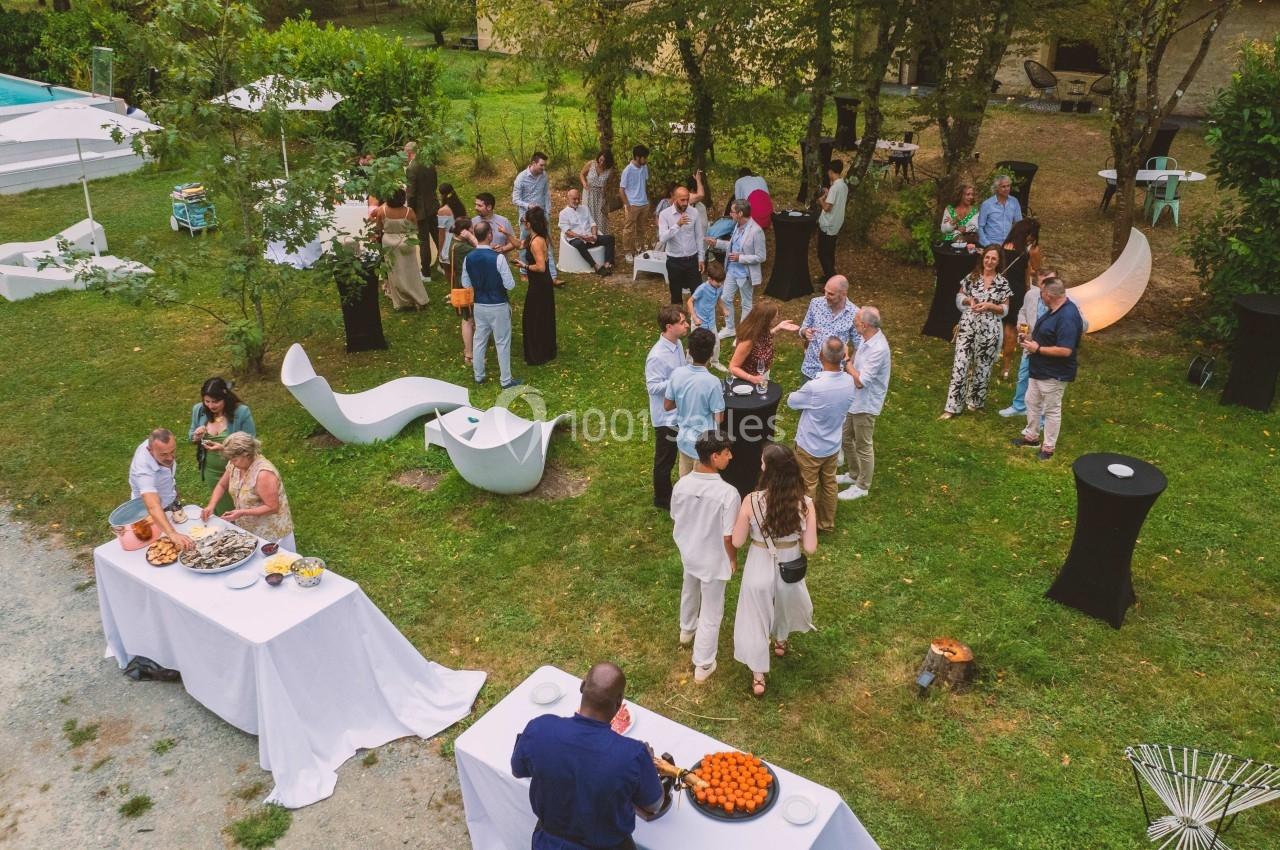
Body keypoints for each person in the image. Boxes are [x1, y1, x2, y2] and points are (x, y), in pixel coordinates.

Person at [510, 661, 664, 850]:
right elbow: (654, 805)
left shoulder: (540, 729)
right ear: (619, 702)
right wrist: (647, 766)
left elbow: (517, 770)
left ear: (582, 686)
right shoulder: (632, 755)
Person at [731, 443, 817, 697]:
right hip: (789, 564)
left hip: (759, 563)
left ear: (768, 470)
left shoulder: (751, 501)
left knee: (755, 619)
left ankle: (758, 676)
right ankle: (780, 640)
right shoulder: (805, 504)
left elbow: (737, 541)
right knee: (784, 603)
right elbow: (810, 547)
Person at [670, 430, 740, 683]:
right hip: (713, 558)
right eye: (726, 453)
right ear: (714, 457)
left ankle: (686, 630)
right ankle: (704, 664)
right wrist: (733, 559)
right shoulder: (728, 494)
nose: (730, 457)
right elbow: (728, 536)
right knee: (711, 611)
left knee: (689, 589)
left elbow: (675, 516)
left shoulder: (681, 485)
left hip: (689, 552)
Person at [787, 337, 858, 533]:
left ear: (820, 355)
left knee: (807, 487)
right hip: (833, 444)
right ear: (843, 356)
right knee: (829, 484)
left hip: (810, 446)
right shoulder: (849, 382)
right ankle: (826, 523)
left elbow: (792, 402)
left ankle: (806, 526)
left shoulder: (814, 387)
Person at [1011, 277, 1084, 461]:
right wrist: (1029, 339)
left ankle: (1048, 448)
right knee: (1032, 401)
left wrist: (1038, 349)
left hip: (1054, 373)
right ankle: (1032, 437)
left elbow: (1065, 350)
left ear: (1049, 294)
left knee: (1051, 410)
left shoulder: (1068, 316)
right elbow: (1046, 335)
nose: (1040, 296)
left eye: (1042, 292)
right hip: (1038, 368)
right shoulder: (1053, 310)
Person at [941, 245, 1012, 418]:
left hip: (990, 329)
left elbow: (1005, 309)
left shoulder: (1002, 283)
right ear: (983, 258)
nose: (989, 261)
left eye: (993, 259)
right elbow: (959, 297)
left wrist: (990, 306)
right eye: (987, 257)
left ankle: (976, 402)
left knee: (984, 365)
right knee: (960, 364)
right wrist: (968, 301)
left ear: (998, 262)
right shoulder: (972, 277)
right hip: (968, 326)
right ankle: (952, 407)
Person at [201, 432, 296, 551]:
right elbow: (221, 485)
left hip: (271, 532)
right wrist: (211, 505)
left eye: (234, 459)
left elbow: (272, 507)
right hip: (249, 529)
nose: (232, 462)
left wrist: (242, 513)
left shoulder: (263, 474)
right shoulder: (234, 464)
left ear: (247, 454)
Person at [837, 306, 890, 501]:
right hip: (854, 399)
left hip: (866, 403)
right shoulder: (865, 338)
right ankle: (853, 474)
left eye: (856, 322)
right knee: (845, 437)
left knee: (863, 445)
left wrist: (846, 360)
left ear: (865, 325)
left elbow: (861, 381)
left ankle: (862, 485)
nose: (854, 324)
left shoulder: (879, 349)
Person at [462, 220, 522, 388]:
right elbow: (510, 284)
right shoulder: (498, 258)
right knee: (502, 342)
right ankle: (505, 379)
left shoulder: (468, 258)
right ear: (490, 235)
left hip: (479, 305)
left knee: (479, 340)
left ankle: (479, 375)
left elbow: (466, 283)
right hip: (498, 304)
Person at [188, 377, 256, 515]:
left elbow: (250, 445)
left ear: (225, 397)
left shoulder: (241, 412)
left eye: (215, 401)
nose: (211, 406)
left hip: (237, 469)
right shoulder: (199, 410)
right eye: (207, 401)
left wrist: (223, 448)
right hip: (211, 471)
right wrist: (196, 436)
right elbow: (191, 436)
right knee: (221, 508)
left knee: (241, 507)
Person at [663, 328, 725, 478]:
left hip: (684, 442)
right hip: (704, 448)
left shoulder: (677, 374)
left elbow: (667, 405)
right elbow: (719, 418)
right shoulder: (713, 382)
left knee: (685, 484)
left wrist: (684, 400)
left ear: (689, 351)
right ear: (712, 353)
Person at [645, 305, 690, 511]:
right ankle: (662, 499)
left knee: (678, 453)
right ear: (669, 327)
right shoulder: (657, 356)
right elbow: (653, 387)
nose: (686, 325)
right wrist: (677, 380)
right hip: (665, 417)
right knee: (665, 459)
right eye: (682, 322)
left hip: (678, 410)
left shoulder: (678, 343)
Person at [706, 198, 766, 339]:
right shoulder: (737, 226)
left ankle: (742, 334)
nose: (730, 214)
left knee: (746, 304)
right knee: (725, 298)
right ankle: (730, 328)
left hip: (745, 274)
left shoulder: (756, 231)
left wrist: (741, 258)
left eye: (732, 212)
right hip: (731, 270)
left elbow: (761, 256)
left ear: (740, 213)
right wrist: (716, 243)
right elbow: (732, 245)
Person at [128, 428, 193, 550]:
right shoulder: (143, 471)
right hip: (148, 513)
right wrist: (172, 533)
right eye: (164, 454)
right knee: (158, 547)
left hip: (169, 500)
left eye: (172, 451)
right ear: (150, 450)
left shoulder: (159, 447)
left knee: (186, 531)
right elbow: (153, 506)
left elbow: (168, 472)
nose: (170, 458)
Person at [999, 217, 1043, 378]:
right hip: (1017, 291)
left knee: (998, 325)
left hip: (999, 289)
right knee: (1011, 328)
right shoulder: (1031, 250)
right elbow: (1037, 269)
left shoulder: (1004, 246)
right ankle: (1006, 368)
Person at [372, 188, 429, 310]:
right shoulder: (409, 211)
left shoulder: (382, 211)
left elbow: (378, 228)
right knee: (411, 272)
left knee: (395, 273)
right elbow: (415, 228)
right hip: (406, 242)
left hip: (389, 244)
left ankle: (402, 302)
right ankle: (418, 298)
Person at [515, 206, 558, 366]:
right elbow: (519, 245)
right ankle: (545, 349)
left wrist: (524, 266)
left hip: (540, 284)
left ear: (529, 224)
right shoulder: (534, 237)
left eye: (524, 221)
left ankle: (538, 353)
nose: (523, 223)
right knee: (541, 316)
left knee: (534, 318)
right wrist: (506, 234)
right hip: (540, 283)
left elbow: (540, 267)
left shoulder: (536, 242)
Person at [798, 275, 860, 382]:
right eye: (825, 291)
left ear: (843, 294)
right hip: (811, 369)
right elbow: (803, 328)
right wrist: (805, 332)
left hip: (835, 374)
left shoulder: (855, 313)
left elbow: (858, 346)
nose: (826, 296)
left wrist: (848, 367)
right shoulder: (815, 303)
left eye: (831, 294)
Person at [727, 302, 799, 386]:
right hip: (747, 381)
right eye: (775, 317)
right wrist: (751, 378)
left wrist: (777, 328)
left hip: (760, 376)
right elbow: (733, 367)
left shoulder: (760, 330)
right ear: (766, 320)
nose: (777, 318)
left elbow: (763, 338)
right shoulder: (748, 341)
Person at [656, 186, 706, 305]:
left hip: (692, 260)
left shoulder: (694, 212)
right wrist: (677, 225)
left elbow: (699, 237)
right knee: (676, 296)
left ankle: (696, 316)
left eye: (687, 199)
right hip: (674, 261)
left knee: (697, 294)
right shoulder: (665, 215)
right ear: (674, 198)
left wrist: (701, 258)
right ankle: (678, 316)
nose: (685, 203)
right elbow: (662, 238)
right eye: (682, 200)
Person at [512, 151, 557, 282]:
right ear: (533, 163)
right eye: (541, 165)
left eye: (544, 165)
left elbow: (546, 194)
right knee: (525, 243)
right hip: (527, 217)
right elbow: (515, 200)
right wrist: (528, 206)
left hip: (542, 216)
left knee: (547, 243)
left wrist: (548, 211)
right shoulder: (521, 178)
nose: (543, 168)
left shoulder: (544, 175)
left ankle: (552, 275)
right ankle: (524, 271)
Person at [447, 219, 481, 367]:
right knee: (468, 319)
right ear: (464, 231)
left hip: (462, 282)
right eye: (471, 229)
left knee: (469, 318)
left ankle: (471, 350)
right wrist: (472, 238)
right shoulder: (462, 247)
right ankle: (469, 354)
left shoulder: (455, 242)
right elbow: (483, 251)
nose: (473, 231)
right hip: (466, 285)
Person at [560, 188, 616, 275]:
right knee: (579, 243)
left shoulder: (585, 208)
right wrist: (581, 237)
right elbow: (567, 231)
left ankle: (607, 264)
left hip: (590, 238)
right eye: (574, 199)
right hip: (576, 239)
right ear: (568, 198)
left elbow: (593, 224)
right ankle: (595, 266)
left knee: (610, 238)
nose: (577, 201)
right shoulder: (563, 213)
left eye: (578, 198)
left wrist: (594, 235)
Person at [404, 140, 438, 279]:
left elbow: (411, 193)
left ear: (409, 153)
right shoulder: (429, 162)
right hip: (433, 204)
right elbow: (434, 183)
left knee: (423, 242)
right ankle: (445, 264)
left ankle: (426, 273)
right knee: (438, 236)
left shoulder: (411, 168)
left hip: (420, 210)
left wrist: (410, 210)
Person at [686, 262, 727, 370]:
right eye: (718, 281)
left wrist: (723, 309)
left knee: (716, 342)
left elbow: (718, 298)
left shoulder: (719, 287)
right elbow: (689, 302)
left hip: (711, 322)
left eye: (721, 281)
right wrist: (695, 318)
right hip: (699, 322)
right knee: (695, 344)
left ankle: (714, 362)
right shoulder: (702, 288)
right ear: (709, 278)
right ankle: (688, 364)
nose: (720, 284)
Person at [816, 159, 848, 281]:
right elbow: (836, 201)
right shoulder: (843, 186)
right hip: (836, 223)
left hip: (828, 224)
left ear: (830, 171)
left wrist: (821, 200)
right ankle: (828, 276)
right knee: (830, 253)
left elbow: (827, 208)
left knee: (822, 254)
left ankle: (833, 279)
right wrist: (828, 193)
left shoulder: (835, 188)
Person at [619, 145, 650, 262]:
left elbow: (644, 183)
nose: (646, 160)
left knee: (641, 228)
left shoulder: (644, 167)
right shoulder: (627, 170)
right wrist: (627, 205)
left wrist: (646, 200)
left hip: (644, 204)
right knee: (629, 230)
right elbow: (621, 190)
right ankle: (627, 251)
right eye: (644, 157)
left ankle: (639, 249)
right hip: (633, 205)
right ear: (637, 157)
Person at [978, 174, 1023, 247]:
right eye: (1003, 186)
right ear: (996, 188)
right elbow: (980, 227)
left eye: (1008, 186)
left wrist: (1014, 241)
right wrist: (987, 244)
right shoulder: (987, 204)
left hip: (1008, 244)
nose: (1006, 189)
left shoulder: (1014, 201)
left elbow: (1019, 224)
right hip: (991, 244)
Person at [580, 150, 616, 236]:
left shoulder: (610, 170)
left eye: (604, 161)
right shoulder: (591, 164)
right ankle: (587, 236)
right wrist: (584, 183)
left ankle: (601, 237)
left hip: (601, 196)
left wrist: (606, 192)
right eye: (601, 160)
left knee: (601, 217)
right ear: (598, 157)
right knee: (588, 214)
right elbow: (581, 174)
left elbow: (609, 185)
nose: (602, 163)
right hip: (588, 193)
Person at [436, 183, 467, 273]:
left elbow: (441, 234)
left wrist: (440, 251)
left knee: (450, 274)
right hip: (461, 240)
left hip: (449, 244)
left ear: (442, 195)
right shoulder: (460, 206)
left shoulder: (442, 211)